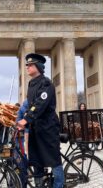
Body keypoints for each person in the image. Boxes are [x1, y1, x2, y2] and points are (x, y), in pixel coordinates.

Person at [17, 53, 64, 188]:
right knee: (36, 159)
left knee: (54, 160)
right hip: (36, 128)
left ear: (38, 66)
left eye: (30, 65)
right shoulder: (31, 84)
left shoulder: (46, 83)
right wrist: (20, 118)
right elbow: (29, 104)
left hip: (48, 128)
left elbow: (40, 104)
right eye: (27, 65)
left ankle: (59, 184)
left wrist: (26, 119)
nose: (27, 67)